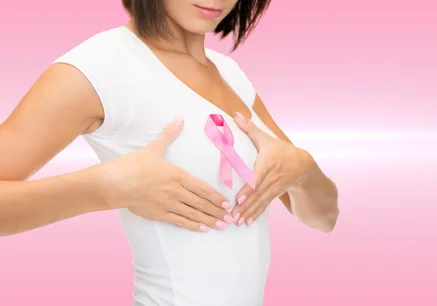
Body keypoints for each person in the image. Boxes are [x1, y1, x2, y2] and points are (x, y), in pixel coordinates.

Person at [0, 0, 339, 305]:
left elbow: (324, 218)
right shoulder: (99, 66)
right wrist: (108, 187)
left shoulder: (231, 74)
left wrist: (304, 169)